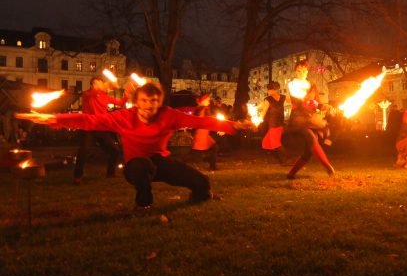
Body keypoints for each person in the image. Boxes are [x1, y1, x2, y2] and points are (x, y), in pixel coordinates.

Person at [16, 83, 250, 212]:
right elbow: (91, 120)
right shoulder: (125, 117)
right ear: (137, 102)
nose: (149, 106)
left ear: (159, 103)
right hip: (135, 165)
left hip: (160, 162)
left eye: (154, 102)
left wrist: (233, 125)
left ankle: (201, 195)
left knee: (202, 182)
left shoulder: (168, 116)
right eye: (145, 102)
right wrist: (54, 119)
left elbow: (200, 122)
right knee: (142, 167)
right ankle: (144, 203)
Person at [284, 60, 335, 179]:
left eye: (304, 70)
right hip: (299, 118)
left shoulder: (312, 86)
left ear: (307, 71)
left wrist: (325, 107)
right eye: (299, 70)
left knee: (309, 150)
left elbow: (318, 103)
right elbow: (299, 102)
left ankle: (291, 174)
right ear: (296, 71)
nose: (302, 72)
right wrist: (309, 102)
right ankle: (328, 167)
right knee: (311, 138)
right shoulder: (293, 84)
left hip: (311, 117)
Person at [73, 76, 127, 184]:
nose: (99, 85)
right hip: (88, 128)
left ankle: (110, 173)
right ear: (92, 85)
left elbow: (120, 103)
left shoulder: (105, 96)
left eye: (100, 83)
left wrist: (127, 95)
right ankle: (77, 177)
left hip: (101, 128)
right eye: (96, 83)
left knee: (114, 150)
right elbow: (94, 93)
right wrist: (107, 85)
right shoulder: (87, 94)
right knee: (83, 151)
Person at [259, 81, 286, 163]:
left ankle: (286, 158)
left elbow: (264, 112)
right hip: (280, 123)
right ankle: (278, 159)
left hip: (273, 123)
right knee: (267, 142)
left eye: (269, 90)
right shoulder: (283, 97)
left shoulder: (268, 99)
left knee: (275, 142)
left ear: (274, 90)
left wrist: (259, 120)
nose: (268, 92)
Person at [191, 94, 219, 171]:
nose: (209, 101)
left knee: (213, 148)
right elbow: (209, 119)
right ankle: (211, 164)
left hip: (202, 133)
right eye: (207, 100)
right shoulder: (204, 109)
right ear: (203, 101)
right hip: (202, 134)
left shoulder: (199, 109)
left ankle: (211, 165)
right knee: (211, 149)